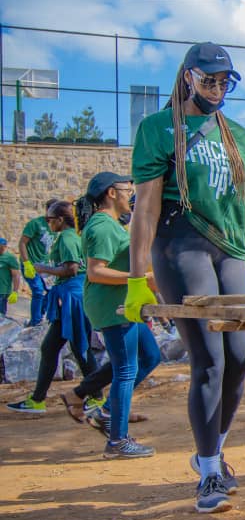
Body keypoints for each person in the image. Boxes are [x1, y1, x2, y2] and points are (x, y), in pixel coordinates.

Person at [126, 42, 245, 513]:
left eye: (223, 80)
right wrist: (136, 277)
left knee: (239, 357)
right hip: (179, 243)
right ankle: (210, 474)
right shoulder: (158, 128)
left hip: (229, 249)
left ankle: (210, 450)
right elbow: (146, 207)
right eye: (208, 79)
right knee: (209, 359)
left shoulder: (239, 136)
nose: (216, 87)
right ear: (188, 76)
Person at [80, 172, 162, 458]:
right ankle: (117, 441)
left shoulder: (112, 225)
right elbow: (96, 271)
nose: (131, 194)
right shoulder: (101, 226)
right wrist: (138, 278)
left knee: (151, 356)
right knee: (125, 371)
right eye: (127, 189)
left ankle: (106, 413)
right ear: (111, 193)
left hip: (124, 304)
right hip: (111, 307)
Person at [6, 201, 112, 414]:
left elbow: (71, 269)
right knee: (52, 348)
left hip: (72, 298)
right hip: (71, 296)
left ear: (61, 220)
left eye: (50, 219)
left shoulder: (67, 238)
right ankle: (38, 399)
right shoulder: (70, 237)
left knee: (80, 347)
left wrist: (41, 268)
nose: (48, 223)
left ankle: (97, 396)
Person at [19, 199, 58, 326]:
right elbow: (22, 243)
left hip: (45, 265)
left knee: (51, 291)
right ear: (47, 210)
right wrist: (26, 263)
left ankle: (41, 316)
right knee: (38, 291)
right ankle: (35, 321)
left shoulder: (55, 227)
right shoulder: (36, 224)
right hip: (31, 264)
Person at [0, 238, 22, 316]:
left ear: (5, 246)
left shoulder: (10, 258)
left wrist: (15, 292)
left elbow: (16, 275)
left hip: (3, 291)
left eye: (2, 247)